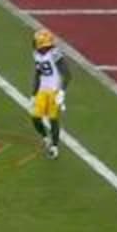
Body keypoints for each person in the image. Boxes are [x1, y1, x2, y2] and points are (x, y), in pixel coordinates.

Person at [28, 28, 69, 159]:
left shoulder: (55, 54)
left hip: (54, 90)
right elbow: (38, 74)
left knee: (53, 119)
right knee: (34, 116)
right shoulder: (36, 54)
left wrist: (61, 92)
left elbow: (67, 74)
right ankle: (46, 138)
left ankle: (54, 147)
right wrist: (34, 94)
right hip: (42, 90)